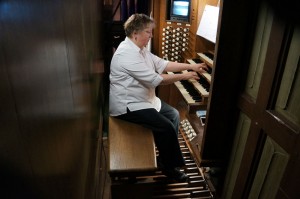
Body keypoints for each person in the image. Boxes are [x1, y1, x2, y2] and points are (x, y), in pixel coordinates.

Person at [109, 13, 207, 182]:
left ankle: (164, 158)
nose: (151, 35)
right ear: (135, 34)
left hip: (145, 99)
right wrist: (185, 76)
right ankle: (170, 168)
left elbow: (163, 64)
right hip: (128, 105)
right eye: (148, 32)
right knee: (166, 126)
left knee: (174, 115)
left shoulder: (140, 50)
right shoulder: (125, 54)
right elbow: (156, 80)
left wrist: (194, 66)